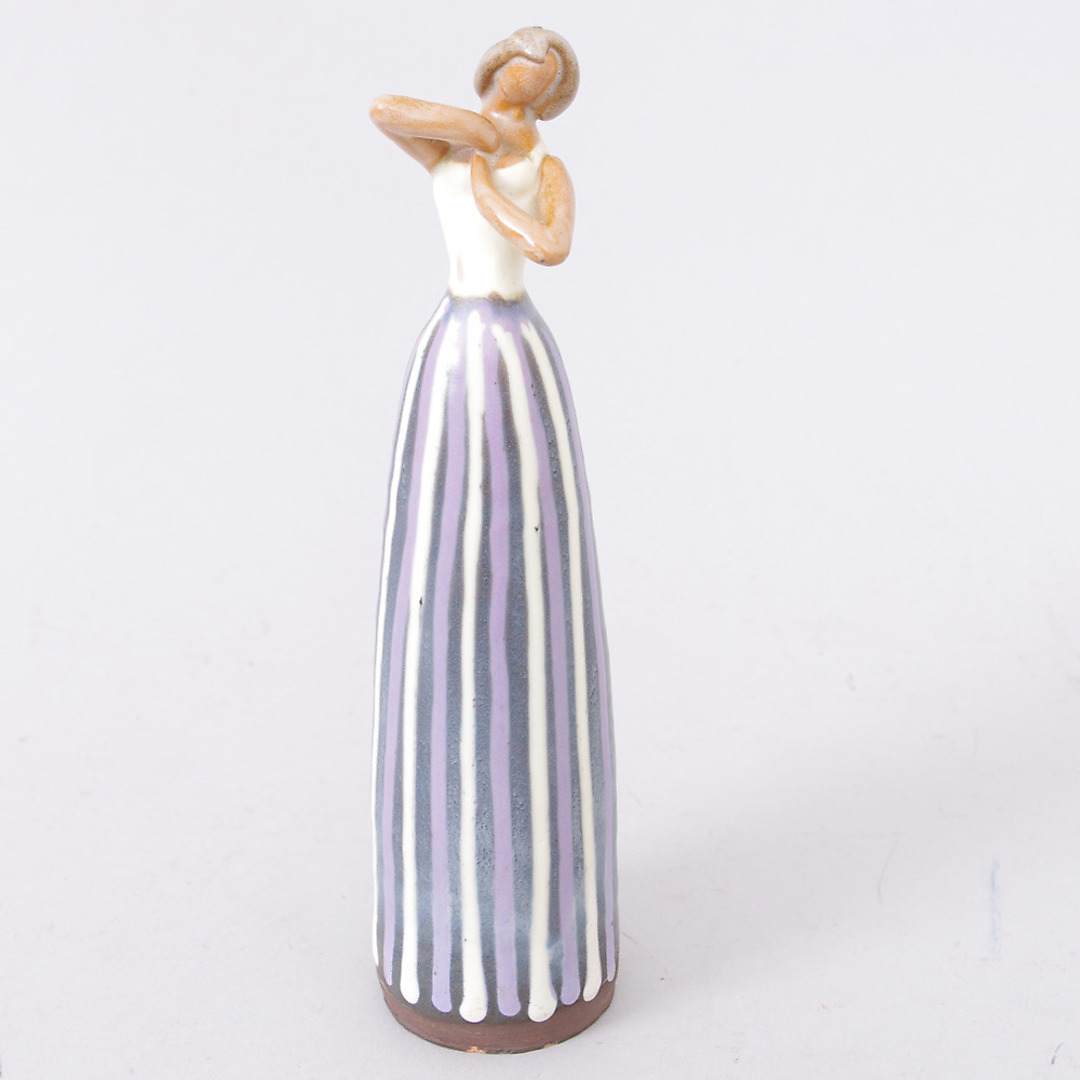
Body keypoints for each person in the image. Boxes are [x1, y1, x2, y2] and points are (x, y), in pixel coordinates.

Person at [369, 29, 617, 1053]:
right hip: (454, 357)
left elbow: (550, 247)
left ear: (554, 96)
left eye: (542, 76)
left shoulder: (543, 167)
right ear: (495, 71)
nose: (525, 78)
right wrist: (479, 140)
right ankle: (435, 954)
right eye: (517, 64)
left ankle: (551, 959)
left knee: (535, 638)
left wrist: (492, 186)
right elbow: (386, 111)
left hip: (515, 362)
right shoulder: (459, 142)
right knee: (434, 621)